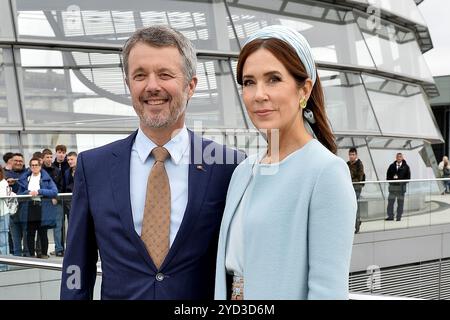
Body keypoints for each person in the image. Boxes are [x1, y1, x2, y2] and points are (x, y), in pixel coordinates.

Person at [60, 25, 244, 300]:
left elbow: (239, 268)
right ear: (128, 84)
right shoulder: (93, 166)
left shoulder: (229, 166)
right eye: (140, 75)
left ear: (190, 85)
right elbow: (77, 264)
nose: (152, 86)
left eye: (165, 74)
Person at [214, 25, 357, 300]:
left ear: (304, 89)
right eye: (249, 82)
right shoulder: (243, 172)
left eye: (273, 79)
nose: (259, 94)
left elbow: (328, 292)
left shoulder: (326, 172)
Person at [17, 157, 58, 258]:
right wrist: (28, 193)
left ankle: (43, 253)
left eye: (36, 165)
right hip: (29, 207)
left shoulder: (46, 178)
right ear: (30, 167)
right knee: (30, 232)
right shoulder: (25, 178)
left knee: (42, 232)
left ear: (40, 166)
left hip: (42, 207)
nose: (34, 167)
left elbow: (54, 191)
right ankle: (31, 254)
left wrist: (40, 191)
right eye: (32, 165)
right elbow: (19, 194)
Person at [386, 153, 411, 221]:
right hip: (392, 188)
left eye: (400, 156)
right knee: (390, 203)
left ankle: (398, 217)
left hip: (401, 189)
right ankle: (390, 216)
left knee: (400, 203)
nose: (399, 158)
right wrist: (393, 181)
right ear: (396, 158)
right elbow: (388, 177)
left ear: (402, 158)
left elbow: (408, 178)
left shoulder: (406, 167)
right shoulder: (391, 166)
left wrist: (400, 181)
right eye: (398, 156)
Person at [347, 147, 365, 233]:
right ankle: (356, 222)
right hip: (349, 188)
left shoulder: (359, 164)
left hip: (356, 188)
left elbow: (360, 178)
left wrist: (350, 181)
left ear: (356, 155)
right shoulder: (347, 164)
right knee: (350, 207)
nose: (351, 156)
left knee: (354, 206)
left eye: (353, 154)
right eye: (350, 154)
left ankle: (356, 226)